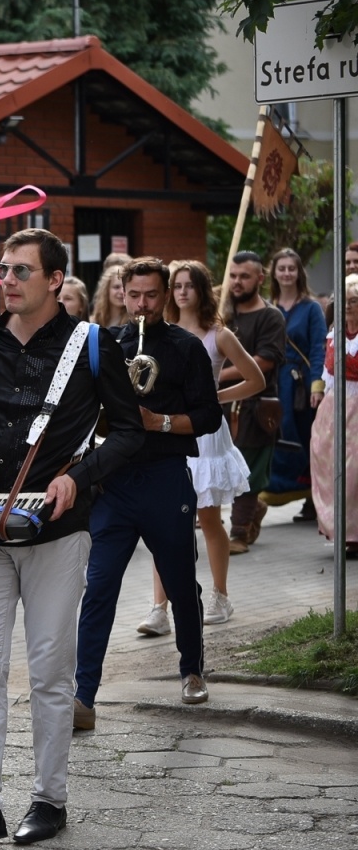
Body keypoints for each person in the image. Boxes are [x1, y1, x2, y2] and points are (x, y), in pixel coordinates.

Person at [0, 229, 142, 846]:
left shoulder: (93, 344)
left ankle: (49, 799)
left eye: (21, 271)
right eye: (3, 269)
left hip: (58, 529)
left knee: (50, 670)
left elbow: (129, 432)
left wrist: (78, 478)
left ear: (55, 280)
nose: (7, 279)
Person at [72, 258, 223, 731]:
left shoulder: (186, 347)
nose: (142, 304)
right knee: (99, 587)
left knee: (180, 582)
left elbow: (209, 416)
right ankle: (83, 696)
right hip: (114, 483)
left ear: (166, 294)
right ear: (122, 293)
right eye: (134, 295)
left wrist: (158, 421)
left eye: (151, 295)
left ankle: (192, 669)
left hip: (165, 477)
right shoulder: (106, 343)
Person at [143, 261, 264, 634]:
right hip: (166, 431)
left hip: (205, 435)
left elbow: (256, 379)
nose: (182, 292)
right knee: (164, 521)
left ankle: (220, 595)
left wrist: (215, 398)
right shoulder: (160, 333)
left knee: (209, 519)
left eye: (189, 285)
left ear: (202, 290)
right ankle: (159, 608)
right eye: (177, 285)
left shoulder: (218, 335)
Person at [219, 251, 287, 554]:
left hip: (256, 405)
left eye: (244, 276)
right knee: (221, 468)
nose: (237, 281)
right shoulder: (221, 311)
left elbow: (264, 361)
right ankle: (253, 510)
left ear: (260, 278)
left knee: (249, 469)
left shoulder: (271, 316)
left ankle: (239, 532)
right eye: (233, 275)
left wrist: (216, 375)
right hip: (220, 403)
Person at [265, 248, 325, 520]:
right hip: (273, 381)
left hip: (302, 384)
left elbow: (318, 348)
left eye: (291, 268)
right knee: (276, 434)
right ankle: (273, 490)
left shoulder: (311, 308)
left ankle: (314, 498)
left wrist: (317, 385)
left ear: (299, 272)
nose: (287, 273)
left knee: (306, 437)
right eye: (282, 268)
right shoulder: (267, 307)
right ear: (274, 273)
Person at [310, 274, 358, 557]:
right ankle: (342, 530)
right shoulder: (334, 334)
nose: (348, 306)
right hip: (334, 407)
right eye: (344, 301)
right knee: (331, 468)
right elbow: (327, 374)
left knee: (354, 473)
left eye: (354, 301)